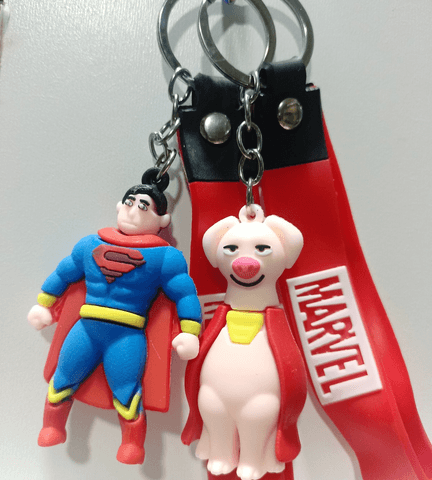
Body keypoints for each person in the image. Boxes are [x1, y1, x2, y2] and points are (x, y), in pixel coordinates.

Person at [28, 168, 201, 464]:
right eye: (130, 203)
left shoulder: (165, 257)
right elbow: (64, 273)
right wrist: (44, 304)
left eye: (144, 207)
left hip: (126, 335)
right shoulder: (89, 245)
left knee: (126, 389)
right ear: (119, 206)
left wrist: (190, 331)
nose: (133, 210)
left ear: (162, 220)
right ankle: (52, 426)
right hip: (86, 328)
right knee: (64, 376)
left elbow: (184, 293)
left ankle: (133, 444)